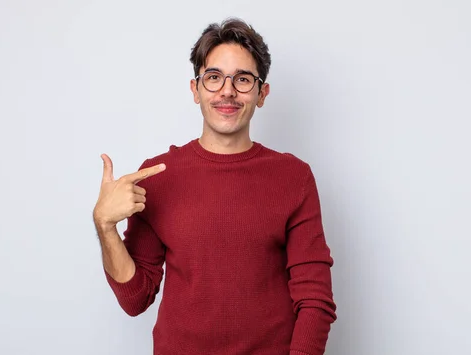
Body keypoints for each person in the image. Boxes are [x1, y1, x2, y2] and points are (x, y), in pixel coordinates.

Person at [92, 18, 337, 355]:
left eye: (243, 79)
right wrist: (105, 225)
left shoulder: (293, 177)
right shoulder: (157, 175)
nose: (227, 91)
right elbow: (136, 298)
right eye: (214, 77)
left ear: (262, 93)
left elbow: (315, 300)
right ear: (195, 90)